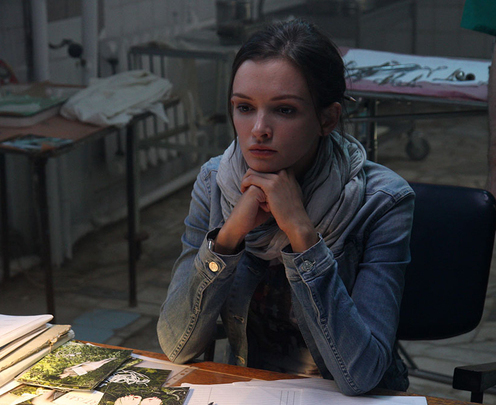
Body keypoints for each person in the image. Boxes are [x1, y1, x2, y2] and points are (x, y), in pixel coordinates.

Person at [157, 19, 414, 396]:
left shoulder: (383, 200)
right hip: (250, 391)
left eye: (285, 110)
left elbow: (360, 375)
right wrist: (228, 237)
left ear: (327, 118)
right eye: (244, 107)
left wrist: (303, 236)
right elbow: (176, 345)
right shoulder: (215, 183)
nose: (259, 129)